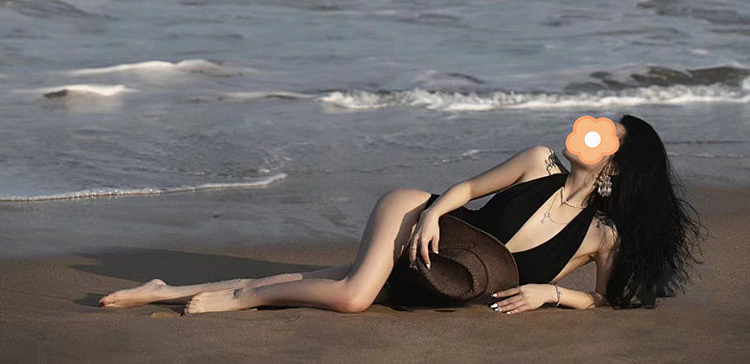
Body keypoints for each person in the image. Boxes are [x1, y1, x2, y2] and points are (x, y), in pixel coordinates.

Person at [99, 113, 705, 314]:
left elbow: (606, 301)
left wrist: (552, 293)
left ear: (619, 166)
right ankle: (238, 300)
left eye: (610, 135)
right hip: (418, 219)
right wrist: (435, 211)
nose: (594, 131)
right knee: (353, 296)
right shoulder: (536, 161)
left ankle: (163, 289)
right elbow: (467, 187)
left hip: (445, 276)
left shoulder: (601, 235)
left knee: (322, 280)